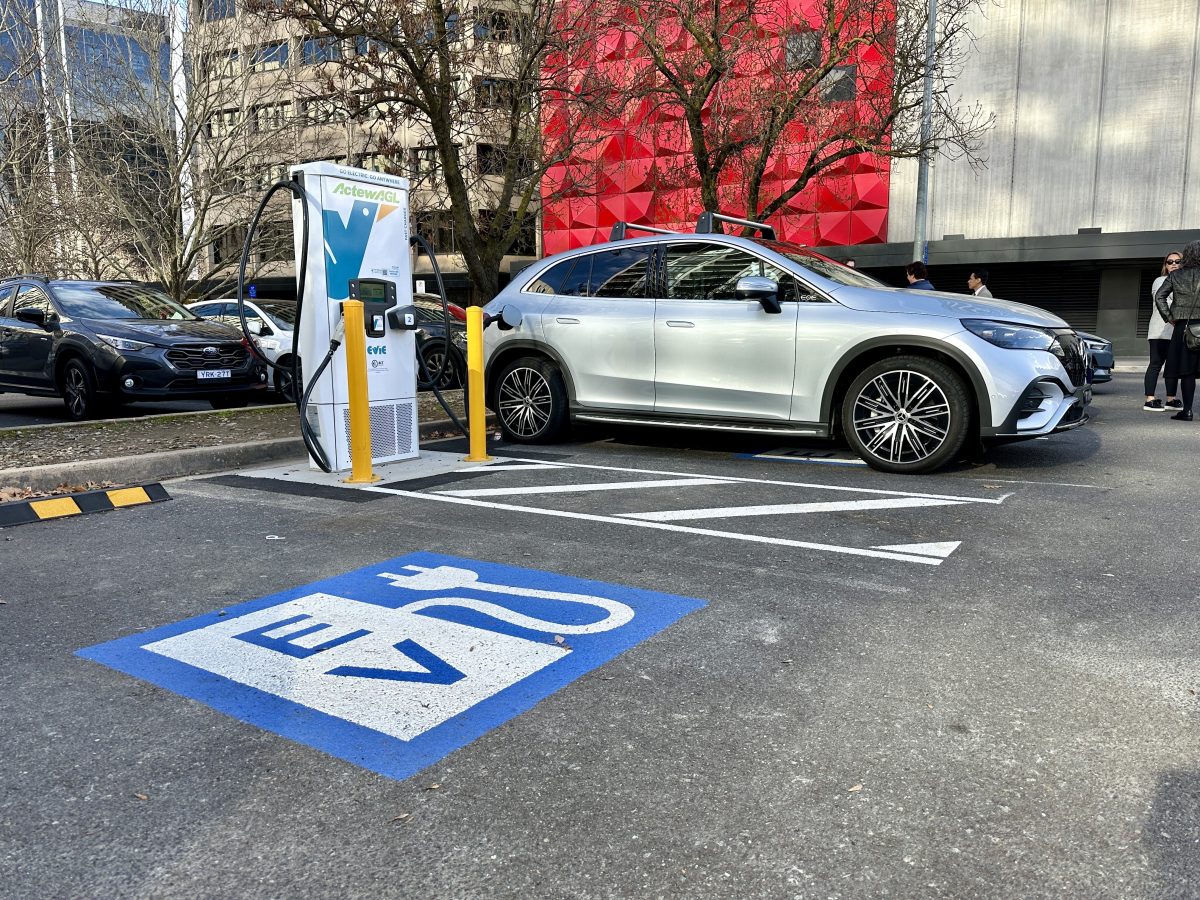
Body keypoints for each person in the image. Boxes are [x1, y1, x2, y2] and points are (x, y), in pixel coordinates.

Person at [1153, 240, 1200, 421]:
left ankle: (1187, 411)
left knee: (1187, 372)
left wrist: (1169, 317)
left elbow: (1160, 297)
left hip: (1184, 327)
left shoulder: (1176, 276)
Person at [1144, 251, 1183, 411]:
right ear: (1165, 265)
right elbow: (1163, 301)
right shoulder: (1160, 281)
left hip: (1177, 331)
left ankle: (1171, 399)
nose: (1173, 264)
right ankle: (1149, 399)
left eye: (1177, 261)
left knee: (1173, 366)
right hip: (1160, 330)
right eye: (1169, 261)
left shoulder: (1184, 282)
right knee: (1155, 364)